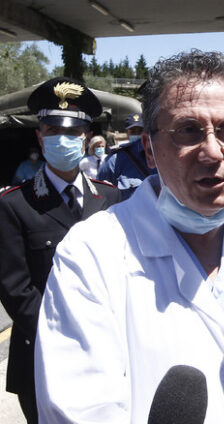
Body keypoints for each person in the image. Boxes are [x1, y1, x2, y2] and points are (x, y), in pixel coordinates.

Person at [34, 51, 224, 424]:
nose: (212, 152)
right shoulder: (91, 253)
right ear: (149, 148)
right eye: (188, 130)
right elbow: (78, 409)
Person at [0, 77, 121, 424]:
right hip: (42, 351)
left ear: (85, 137)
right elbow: (15, 288)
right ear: (40, 137)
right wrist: (66, 335)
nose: (62, 139)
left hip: (107, 352)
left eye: (72, 131)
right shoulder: (14, 204)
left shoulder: (109, 197)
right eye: (53, 131)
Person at [97, 112, 156, 199]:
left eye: (140, 131)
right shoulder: (115, 160)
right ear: (127, 133)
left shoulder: (159, 156)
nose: (137, 135)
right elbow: (100, 192)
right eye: (133, 131)